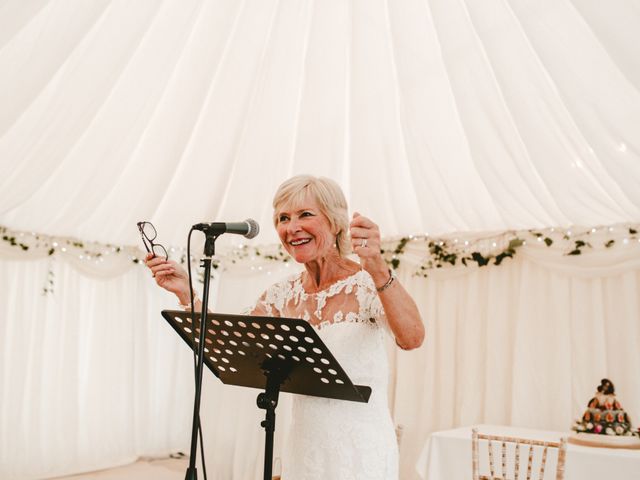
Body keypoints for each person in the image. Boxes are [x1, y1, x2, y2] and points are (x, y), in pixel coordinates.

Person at [145, 175, 425, 479]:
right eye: (283, 218)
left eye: (305, 214)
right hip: (305, 449)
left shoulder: (367, 283)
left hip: (360, 451)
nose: (292, 228)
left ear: (335, 221)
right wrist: (186, 292)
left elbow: (412, 337)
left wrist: (377, 266)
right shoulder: (282, 294)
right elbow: (230, 337)